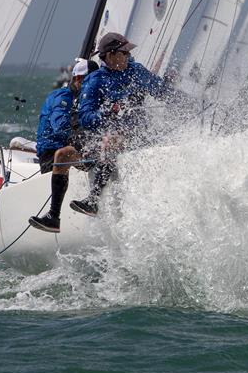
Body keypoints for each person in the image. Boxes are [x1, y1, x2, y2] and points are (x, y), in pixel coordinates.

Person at [68, 32, 181, 216]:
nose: (128, 56)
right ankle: (93, 199)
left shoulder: (136, 71)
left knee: (118, 138)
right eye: (124, 53)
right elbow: (85, 118)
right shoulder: (95, 80)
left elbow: (163, 91)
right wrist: (108, 111)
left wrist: (191, 103)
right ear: (110, 55)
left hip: (139, 134)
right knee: (112, 139)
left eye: (128, 53)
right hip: (107, 140)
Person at [28, 59, 96, 233]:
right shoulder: (63, 97)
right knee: (67, 152)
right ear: (79, 79)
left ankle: (94, 200)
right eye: (90, 81)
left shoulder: (85, 98)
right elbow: (60, 127)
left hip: (72, 153)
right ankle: (53, 216)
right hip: (52, 159)